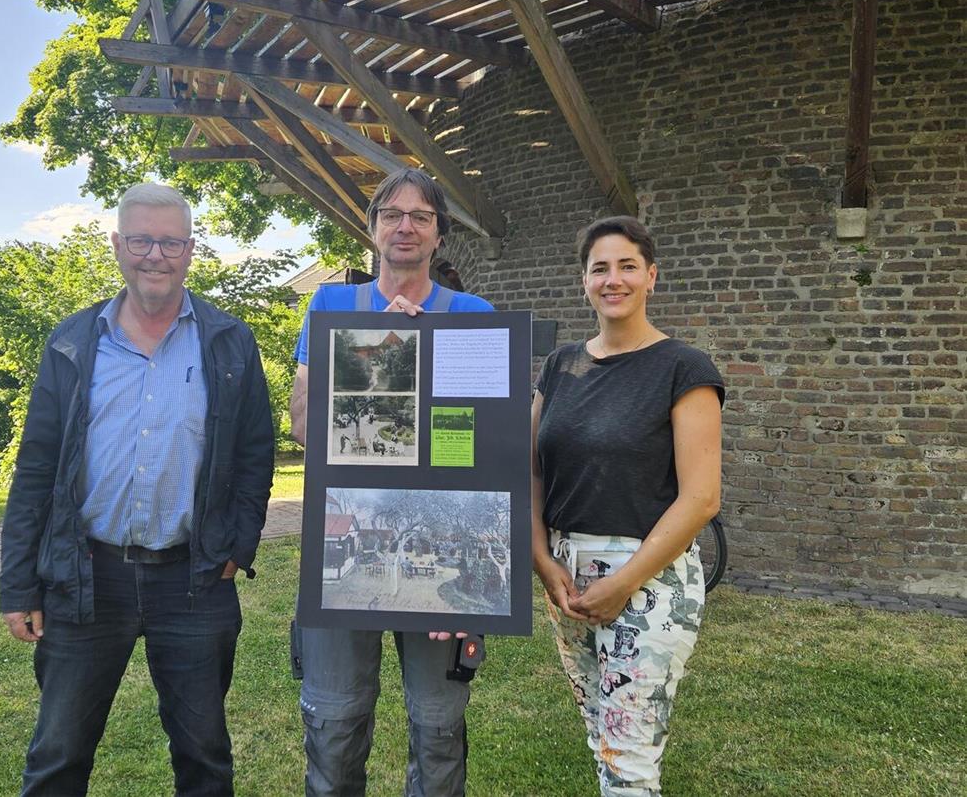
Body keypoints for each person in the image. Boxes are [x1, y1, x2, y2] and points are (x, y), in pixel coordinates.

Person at [0, 182, 274, 796]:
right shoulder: (73, 343)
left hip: (195, 579)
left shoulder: (229, 342)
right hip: (87, 579)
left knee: (204, 755)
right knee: (58, 753)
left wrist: (240, 544)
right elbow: (36, 469)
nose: (156, 254)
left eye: (170, 242)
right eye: (143, 240)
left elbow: (257, 454)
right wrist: (19, 583)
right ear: (118, 245)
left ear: (191, 250)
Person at [289, 168, 492, 796]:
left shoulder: (472, 315)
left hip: (441, 529)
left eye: (421, 216)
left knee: (437, 723)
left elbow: (487, 441)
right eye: (392, 215)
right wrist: (377, 353)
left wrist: (425, 352)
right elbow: (301, 424)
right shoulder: (331, 307)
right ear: (372, 228)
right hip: (342, 530)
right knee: (335, 716)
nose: (406, 226)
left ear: (438, 236)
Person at [531, 216, 724, 796]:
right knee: (601, 731)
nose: (613, 279)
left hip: (649, 573)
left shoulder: (683, 368)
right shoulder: (560, 365)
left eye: (627, 266)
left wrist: (624, 581)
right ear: (584, 282)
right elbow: (533, 468)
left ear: (651, 277)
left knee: (629, 751)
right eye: (599, 268)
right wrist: (543, 561)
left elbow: (701, 496)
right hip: (566, 571)